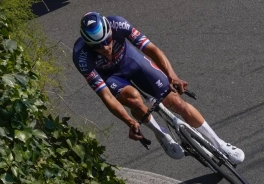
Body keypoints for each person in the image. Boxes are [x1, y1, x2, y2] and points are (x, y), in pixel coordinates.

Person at [72, 11, 245, 164]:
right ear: (88, 44)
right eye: (97, 46)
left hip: (131, 62)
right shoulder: (81, 56)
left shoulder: (118, 23)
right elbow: (107, 96)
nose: (105, 47)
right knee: (134, 99)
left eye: (107, 40)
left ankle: (220, 144)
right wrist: (130, 122)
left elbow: (152, 50)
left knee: (176, 102)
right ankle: (160, 133)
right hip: (112, 77)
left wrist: (172, 76)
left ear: (110, 31)